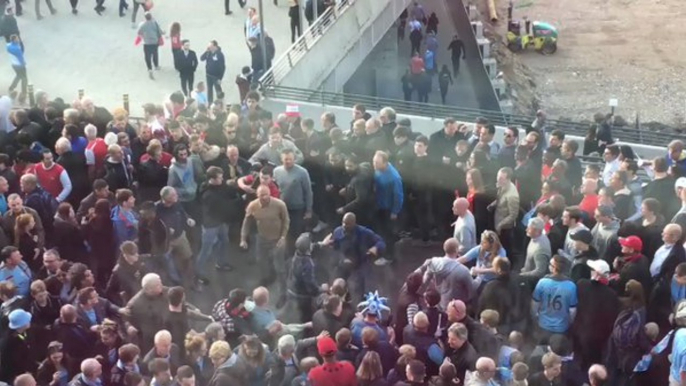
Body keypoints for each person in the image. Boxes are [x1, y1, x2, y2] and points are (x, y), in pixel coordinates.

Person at [320, 212, 385, 303]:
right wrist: (329, 244)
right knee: (339, 283)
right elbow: (336, 246)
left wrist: (376, 247)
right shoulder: (338, 231)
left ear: (354, 223)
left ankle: (362, 302)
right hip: (344, 261)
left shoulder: (364, 232)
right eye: (343, 222)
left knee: (359, 285)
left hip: (360, 261)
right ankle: (343, 299)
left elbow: (381, 242)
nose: (344, 225)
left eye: (347, 224)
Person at [240, 185, 290, 296]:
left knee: (280, 267)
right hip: (262, 238)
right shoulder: (253, 206)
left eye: (266, 194)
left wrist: (283, 237)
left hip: (277, 239)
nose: (264, 197)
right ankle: (267, 278)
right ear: (257, 195)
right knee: (261, 261)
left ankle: (283, 292)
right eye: (261, 195)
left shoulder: (279, 205)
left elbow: (286, 221)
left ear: (270, 194)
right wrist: (243, 238)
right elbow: (246, 222)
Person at [531, 255, 577, 343]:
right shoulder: (572, 286)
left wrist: (535, 316)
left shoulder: (542, 282)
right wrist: (569, 322)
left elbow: (534, 304)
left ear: (554, 268)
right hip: (562, 328)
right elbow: (572, 311)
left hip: (543, 325)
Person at [137, 12, 163, 80]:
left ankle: (149, 69)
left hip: (146, 43)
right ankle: (156, 66)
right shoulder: (154, 23)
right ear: (151, 16)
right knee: (155, 54)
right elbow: (159, 31)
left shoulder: (143, 24)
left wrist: (144, 36)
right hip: (155, 42)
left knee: (147, 56)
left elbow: (139, 32)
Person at [6, 34, 26, 102]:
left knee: (18, 76)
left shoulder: (8, 46)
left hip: (13, 64)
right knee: (24, 78)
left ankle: (12, 87)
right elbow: (20, 57)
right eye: (17, 38)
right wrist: (23, 64)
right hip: (19, 65)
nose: (18, 39)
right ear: (14, 39)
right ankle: (24, 92)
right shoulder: (17, 48)